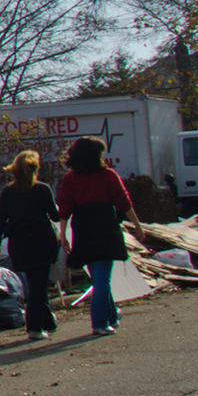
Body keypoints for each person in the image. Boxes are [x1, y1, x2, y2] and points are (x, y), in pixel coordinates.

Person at [56, 136, 143, 336]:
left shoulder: (70, 180)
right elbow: (123, 202)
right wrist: (138, 226)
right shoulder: (108, 176)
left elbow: (64, 208)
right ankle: (99, 322)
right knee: (102, 279)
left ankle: (112, 316)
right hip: (105, 228)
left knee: (98, 276)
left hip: (83, 230)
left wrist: (63, 235)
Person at [0, 150, 62, 340]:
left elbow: (1, 220)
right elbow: (55, 216)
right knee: (38, 286)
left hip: (19, 243)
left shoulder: (8, 192)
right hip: (42, 241)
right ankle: (34, 328)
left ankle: (48, 322)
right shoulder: (42, 189)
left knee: (33, 283)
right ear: (35, 169)